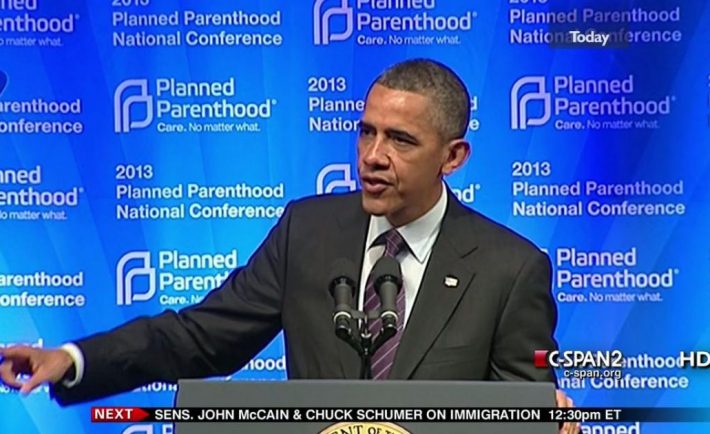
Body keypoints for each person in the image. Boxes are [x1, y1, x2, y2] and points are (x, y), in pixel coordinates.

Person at [0, 59, 579, 433]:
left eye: (401, 140)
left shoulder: (509, 269)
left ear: (453, 157)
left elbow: (520, 409)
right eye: (367, 132)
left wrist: (544, 420)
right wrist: (73, 360)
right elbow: (203, 336)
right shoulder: (309, 231)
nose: (373, 156)